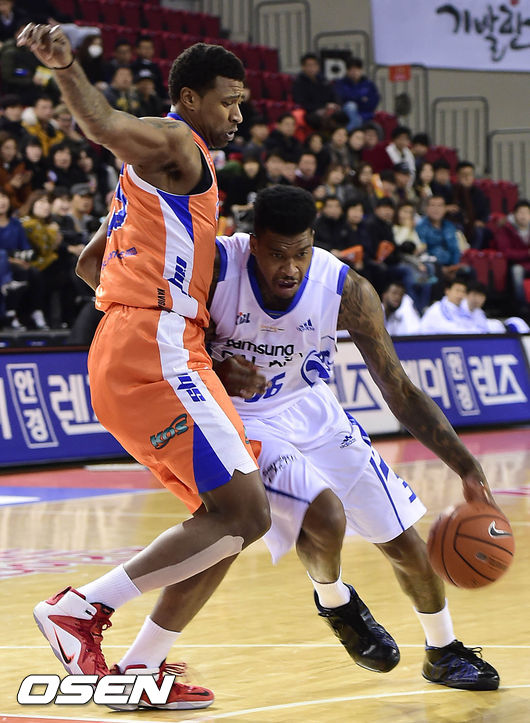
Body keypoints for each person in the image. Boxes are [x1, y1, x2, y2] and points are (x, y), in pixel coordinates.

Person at [19, 24, 269, 710]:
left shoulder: (157, 181)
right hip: (155, 344)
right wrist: (66, 68)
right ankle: (79, 609)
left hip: (140, 341)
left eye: (242, 102)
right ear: (188, 98)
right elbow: (103, 125)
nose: (238, 114)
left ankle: (139, 667)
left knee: (221, 525)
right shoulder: (175, 142)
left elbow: (90, 262)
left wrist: (152, 317)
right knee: (245, 513)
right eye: (227, 101)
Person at [207, 185, 499, 690]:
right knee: (324, 517)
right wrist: (214, 368)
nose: (290, 268)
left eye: (301, 253)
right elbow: (158, 338)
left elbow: (398, 388)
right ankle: (335, 601)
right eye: (277, 254)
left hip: (312, 409)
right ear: (254, 243)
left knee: (405, 542)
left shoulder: (346, 290)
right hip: (242, 418)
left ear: (313, 242)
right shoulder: (214, 267)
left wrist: (467, 467)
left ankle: (443, 650)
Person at [493, 199, 530, 315]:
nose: (523, 216)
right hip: (514, 264)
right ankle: (522, 308)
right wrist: (527, 253)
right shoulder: (506, 229)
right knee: (517, 271)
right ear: (514, 214)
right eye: (521, 212)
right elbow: (506, 252)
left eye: (527, 213)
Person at [333, 57, 380, 131]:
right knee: (351, 106)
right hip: (346, 114)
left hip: (365, 114)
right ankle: (352, 131)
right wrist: (361, 99)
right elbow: (341, 99)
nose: (354, 72)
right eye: (351, 70)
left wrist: (355, 99)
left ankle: (351, 131)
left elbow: (374, 101)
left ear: (361, 70)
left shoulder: (369, 84)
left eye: (357, 69)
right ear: (347, 71)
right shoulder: (341, 84)